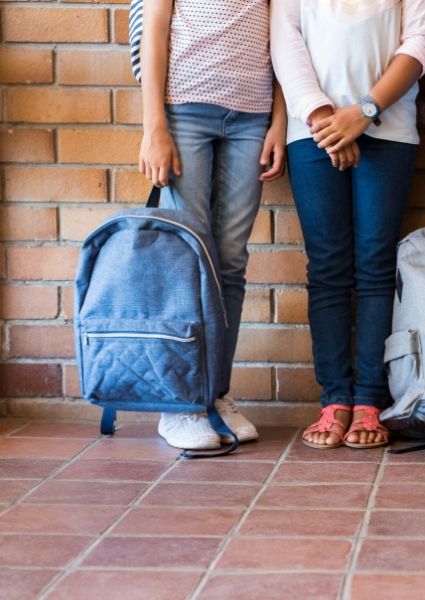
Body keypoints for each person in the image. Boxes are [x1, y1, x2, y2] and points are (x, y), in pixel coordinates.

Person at [271, 0, 425, 449]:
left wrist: (362, 113)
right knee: (327, 268)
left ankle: (369, 398)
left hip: (388, 130)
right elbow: (286, 44)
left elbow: (420, 44)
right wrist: (324, 118)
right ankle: (335, 398)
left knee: (377, 268)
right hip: (312, 133)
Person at [139, 0, 286, 450]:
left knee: (230, 263)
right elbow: (155, 28)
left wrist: (279, 121)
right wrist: (153, 126)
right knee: (187, 262)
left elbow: (283, 36)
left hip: (251, 118)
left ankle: (215, 393)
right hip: (184, 110)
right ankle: (180, 403)